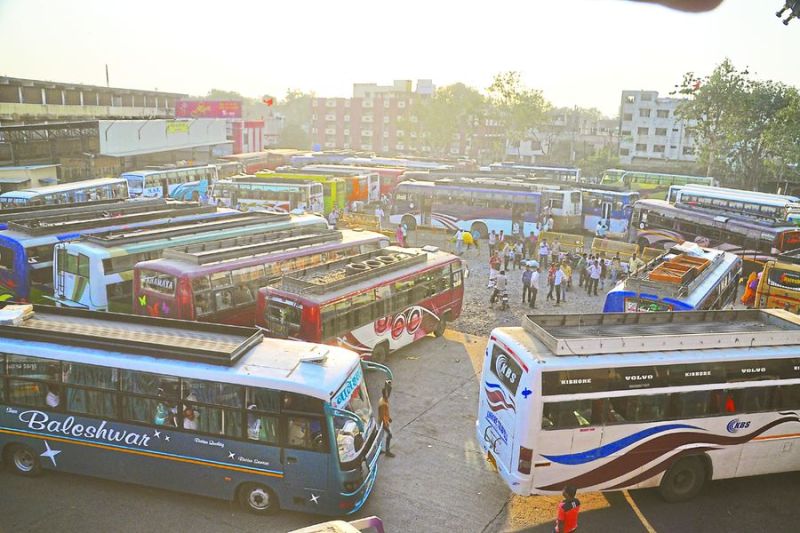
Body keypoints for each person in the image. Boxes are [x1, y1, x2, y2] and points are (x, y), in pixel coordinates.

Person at [379, 384, 394, 457]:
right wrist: (386, 423)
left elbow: (385, 413)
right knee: (389, 435)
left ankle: (379, 449)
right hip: (383, 422)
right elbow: (382, 415)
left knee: (381, 435)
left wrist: (389, 418)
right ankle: (387, 451)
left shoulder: (384, 400)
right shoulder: (383, 403)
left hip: (384, 421)